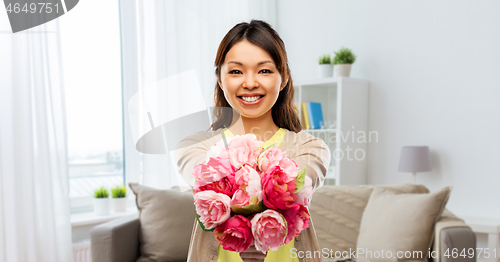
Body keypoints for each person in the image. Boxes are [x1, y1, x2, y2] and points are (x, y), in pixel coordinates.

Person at [175, 19, 331, 262]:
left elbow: (298, 183)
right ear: (219, 78)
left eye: (265, 70)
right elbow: (201, 177)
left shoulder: (309, 147)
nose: (249, 83)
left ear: (284, 77)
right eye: (236, 71)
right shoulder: (194, 146)